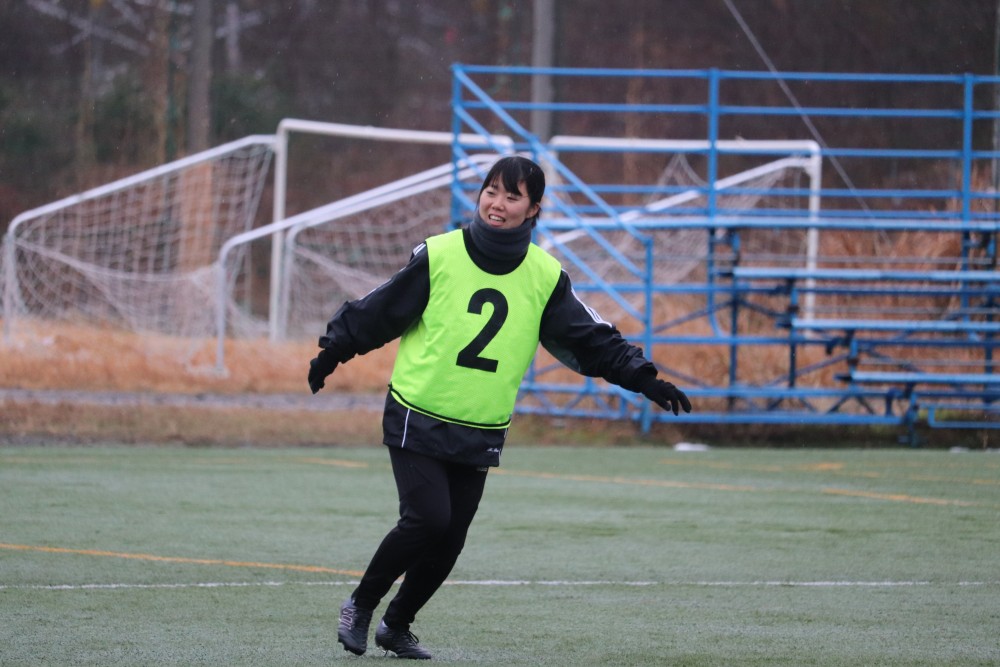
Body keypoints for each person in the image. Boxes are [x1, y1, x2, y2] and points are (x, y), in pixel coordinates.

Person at [308, 155, 691, 659]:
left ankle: (396, 626)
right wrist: (334, 349)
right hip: (417, 414)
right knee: (427, 519)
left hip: (480, 426)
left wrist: (645, 379)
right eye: (492, 190)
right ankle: (360, 605)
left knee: (450, 540)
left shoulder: (546, 277)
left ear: (533, 209)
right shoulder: (441, 254)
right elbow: (381, 311)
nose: (498, 203)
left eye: (513, 196)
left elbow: (593, 339)